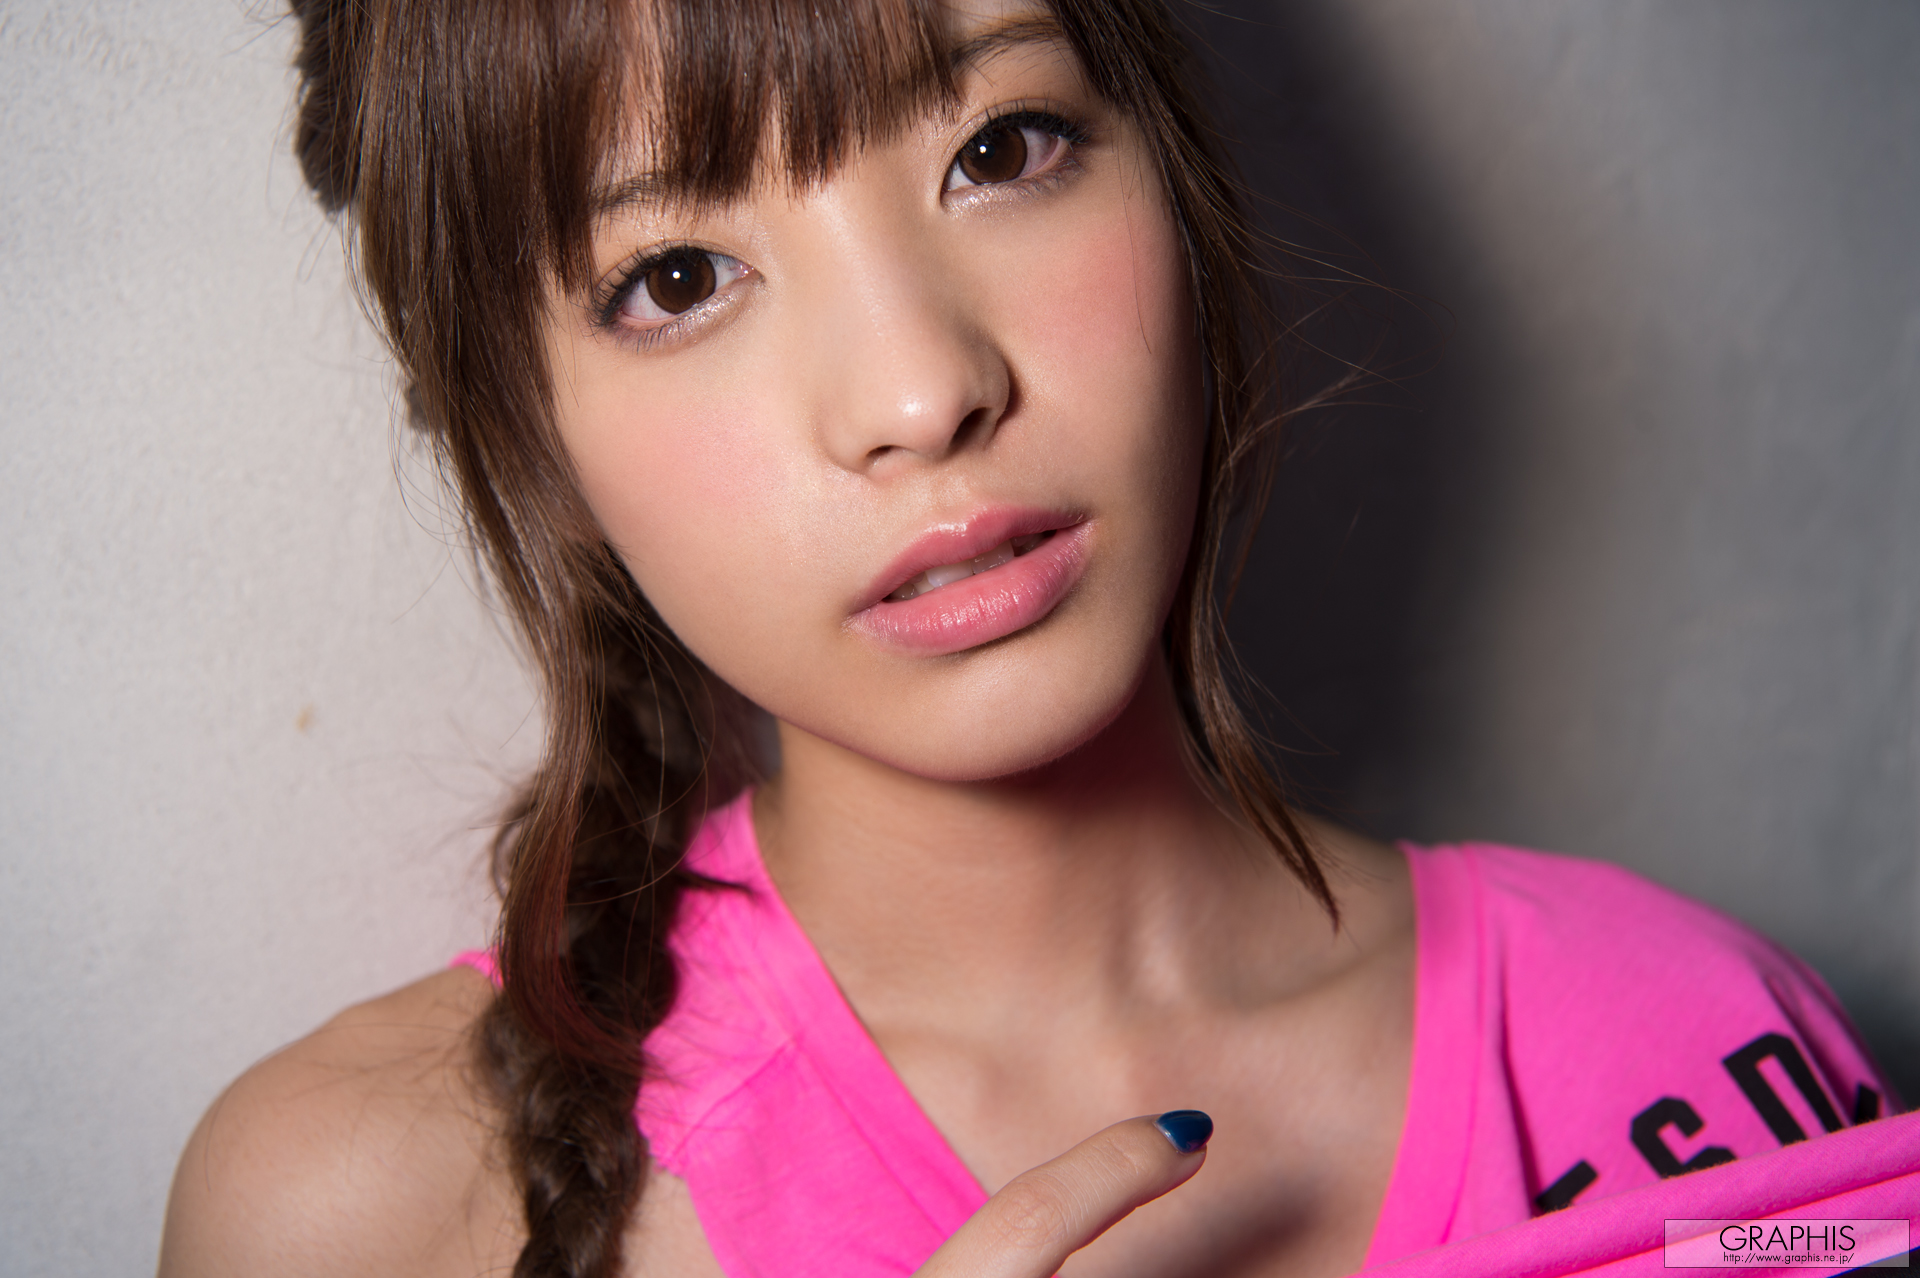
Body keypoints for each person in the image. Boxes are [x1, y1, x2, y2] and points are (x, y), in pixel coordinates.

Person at [157, 0, 1896, 1275]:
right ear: (532, 437)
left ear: (1176, 179)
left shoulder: (1696, 1044)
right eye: (677, 276)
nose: (923, 389)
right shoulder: (365, 1208)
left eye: (1000, 150)